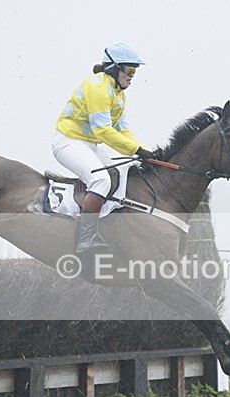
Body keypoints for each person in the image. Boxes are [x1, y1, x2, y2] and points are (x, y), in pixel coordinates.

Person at [52, 41, 155, 254]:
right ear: (113, 67)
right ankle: (85, 238)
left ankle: (105, 225)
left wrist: (145, 153)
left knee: (125, 170)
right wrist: (136, 150)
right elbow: (104, 131)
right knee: (101, 179)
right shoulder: (98, 87)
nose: (132, 75)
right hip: (68, 142)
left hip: (89, 145)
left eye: (134, 70)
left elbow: (123, 131)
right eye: (128, 69)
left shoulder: (118, 94)